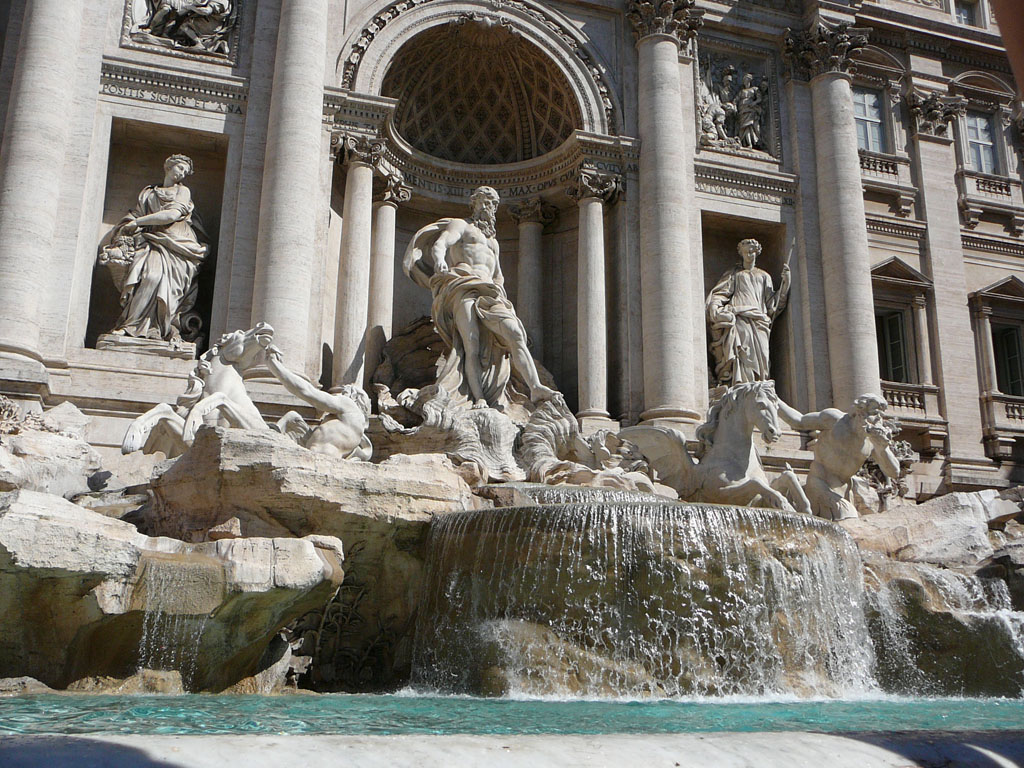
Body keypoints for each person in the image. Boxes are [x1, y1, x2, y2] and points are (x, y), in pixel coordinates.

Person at [404, 186, 556, 410]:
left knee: (515, 333)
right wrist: (440, 261)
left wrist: (503, 297)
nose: (489, 207)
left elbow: (499, 275)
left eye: (493, 203)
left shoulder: (493, 243)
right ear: (474, 203)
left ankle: (535, 387)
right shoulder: (462, 225)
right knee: (471, 344)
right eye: (485, 201)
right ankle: (479, 398)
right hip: (463, 284)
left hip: (490, 291)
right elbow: (441, 244)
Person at [102, 154, 208, 343]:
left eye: (185, 171)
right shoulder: (149, 192)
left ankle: (158, 329)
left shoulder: (183, 192)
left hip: (177, 245)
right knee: (145, 277)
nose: (182, 174)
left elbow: (171, 215)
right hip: (150, 241)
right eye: (180, 168)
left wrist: (138, 222)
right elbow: (134, 214)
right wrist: (127, 226)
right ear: (168, 166)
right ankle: (131, 326)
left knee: (157, 278)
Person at [777, 393, 902, 521]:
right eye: (875, 413)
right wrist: (774, 399)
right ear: (859, 412)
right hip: (819, 483)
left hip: (846, 490)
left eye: (881, 415)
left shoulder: (872, 439)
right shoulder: (835, 420)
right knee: (848, 517)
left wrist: (883, 448)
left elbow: (894, 472)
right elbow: (799, 421)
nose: (879, 419)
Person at [706, 238, 790, 386]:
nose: (750, 254)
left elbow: (773, 304)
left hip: (760, 320)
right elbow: (721, 293)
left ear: (757, 253)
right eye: (746, 252)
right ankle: (741, 385)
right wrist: (714, 306)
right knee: (743, 352)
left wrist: (785, 285)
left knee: (762, 356)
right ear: (741, 253)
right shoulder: (734, 274)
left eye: (752, 251)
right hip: (740, 316)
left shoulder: (764, 276)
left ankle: (759, 385)